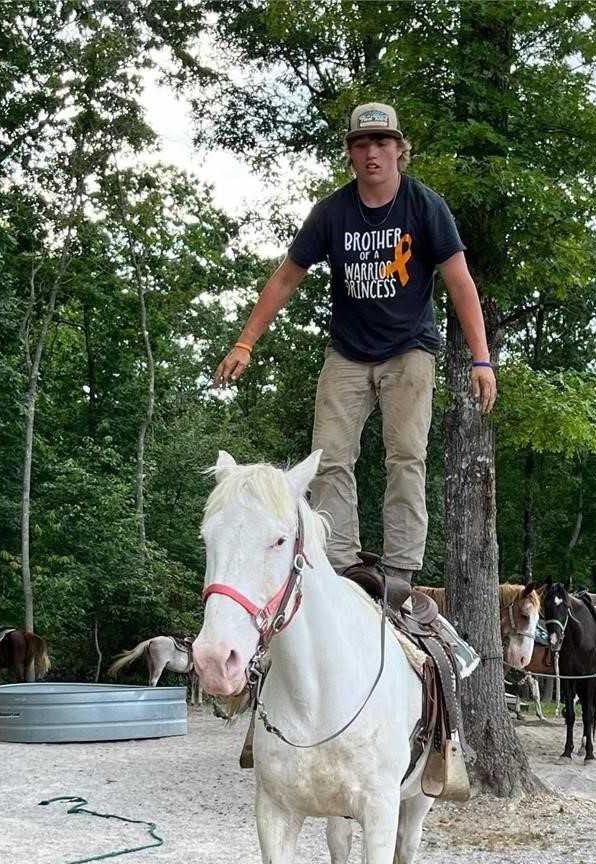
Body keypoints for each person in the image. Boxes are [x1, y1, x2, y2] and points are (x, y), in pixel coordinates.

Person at [213, 101, 497, 584]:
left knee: (406, 456)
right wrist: (245, 342)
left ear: (399, 150)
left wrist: (481, 358)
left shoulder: (425, 206)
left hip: (409, 350)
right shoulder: (332, 212)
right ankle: (341, 564)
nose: (373, 153)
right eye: (362, 143)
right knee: (328, 458)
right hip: (347, 352)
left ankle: (402, 570)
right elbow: (285, 279)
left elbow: (460, 281)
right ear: (350, 153)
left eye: (382, 142)